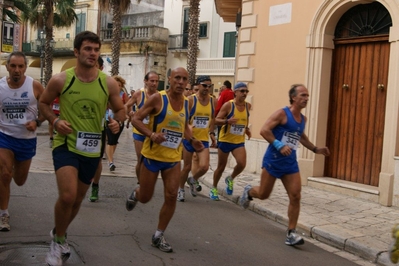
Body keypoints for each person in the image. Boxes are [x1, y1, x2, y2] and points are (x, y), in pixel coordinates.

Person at [38, 31, 125, 265]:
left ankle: (60, 231)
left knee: (76, 200)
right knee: (67, 196)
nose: (92, 53)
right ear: (76, 52)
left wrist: (117, 121)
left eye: (96, 50)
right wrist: (55, 121)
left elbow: (120, 110)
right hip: (65, 144)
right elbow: (43, 103)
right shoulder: (61, 80)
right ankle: (57, 242)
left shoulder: (107, 82)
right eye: (87, 49)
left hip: (92, 147)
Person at [239, 84, 330, 246]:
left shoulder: (303, 119)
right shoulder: (282, 114)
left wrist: (316, 149)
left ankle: (291, 233)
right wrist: (279, 145)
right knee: (264, 194)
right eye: (302, 95)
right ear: (293, 97)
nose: (306, 98)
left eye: (307, 96)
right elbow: (264, 130)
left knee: (296, 196)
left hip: (290, 163)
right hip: (273, 160)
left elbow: (300, 137)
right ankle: (249, 191)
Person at [126, 67, 204, 253]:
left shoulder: (187, 103)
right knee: (146, 197)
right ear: (169, 79)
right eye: (177, 77)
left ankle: (159, 235)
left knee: (171, 196)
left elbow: (183, 125)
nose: (180, 82)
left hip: (172, 158)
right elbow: (136, 119)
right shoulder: (158, 99)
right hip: (152, 156)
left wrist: (192, 140)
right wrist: (152, 134)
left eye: (184, 79)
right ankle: (136, 194)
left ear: (187, 83)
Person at [0, 51, 45, 232]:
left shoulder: (35, 86)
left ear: (25, 68)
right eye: (13, 66)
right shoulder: (0, 87)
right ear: (7, 67)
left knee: (19, 180)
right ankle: (3, 214)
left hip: (26, 140)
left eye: (20, 66)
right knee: (4, 174)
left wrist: (37, 121)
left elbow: (47, 108)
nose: (17, 70)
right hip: (4, 136)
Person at [210, 82, 251, 201]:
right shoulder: (228, 106)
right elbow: (216, 120)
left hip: (238, 141)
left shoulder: (248, 106)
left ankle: (230, 178)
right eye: (242, 91)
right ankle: (214, 188)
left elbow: (245, 118)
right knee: (221, 166)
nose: (245, 93)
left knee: (242, 163)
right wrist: (227, 121)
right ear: (236, 92)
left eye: (246, 91)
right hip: (225, 140)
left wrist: (247, 129)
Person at [177, 75, 216, 202]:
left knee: (204, 166)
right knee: (187, 167)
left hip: (203, 139)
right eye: (204, 85)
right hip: (190, 138)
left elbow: (213, 118)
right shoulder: (190, 100)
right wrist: (188, 127)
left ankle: (193, 180)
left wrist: (212, 133)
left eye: (209, 86)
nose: (207, 88)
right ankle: (181, 189)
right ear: (198, 85)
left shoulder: (212, 101)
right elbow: (183, 119)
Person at [125, 71, 160, 184]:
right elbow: (127, 105)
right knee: (141, 158)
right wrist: (130, 113)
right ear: (145, 81)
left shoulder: (160, 96)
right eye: (152, 81)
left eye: (156, 81)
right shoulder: (139, 94)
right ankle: (140, 183)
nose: (154, 83)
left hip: (153, 132)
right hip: (139, 131)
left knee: (150, 159)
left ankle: (146, 180)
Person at [88, 56, 107, 202]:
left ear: (101, 68)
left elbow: (116, 106)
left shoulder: (106, 84)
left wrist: (115, 120)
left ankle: (95, 185)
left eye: (95, 65)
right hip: (78, 128)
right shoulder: (79, 80)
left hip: (98, 129)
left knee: (97, 161)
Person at [105, 75, 129, 171]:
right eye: (116, 85)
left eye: (119, 85)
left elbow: (127, 106)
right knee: (110, 140)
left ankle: (110, 158)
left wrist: (127, 114)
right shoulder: (108, 94)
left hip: (119, 121)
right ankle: (110, 162)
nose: (118, 87)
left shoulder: (123, 95)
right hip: (108, 119)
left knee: (114, 141)